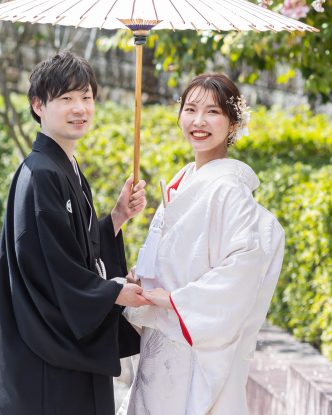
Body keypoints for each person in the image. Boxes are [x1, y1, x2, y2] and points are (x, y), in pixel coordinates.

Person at [0, 51, 148, 415]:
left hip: (57, 346)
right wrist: (112, 293)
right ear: (38, 105)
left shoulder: (63, 166)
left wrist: (117, 218)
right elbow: (52, 266)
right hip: (41, 355)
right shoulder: (41, 173)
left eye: (86, 97)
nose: (80, 109)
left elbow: (73, 246)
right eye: (66, 98)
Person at [119, 73, 285, 415]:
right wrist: (142, 279)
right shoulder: (182, 182)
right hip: (164, 332)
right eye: (190, 109)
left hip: (193, 334)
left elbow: (244, 264)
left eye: (213, 112)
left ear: (233, 123)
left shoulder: (228, 188)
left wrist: (177, 300)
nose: (198, 121)